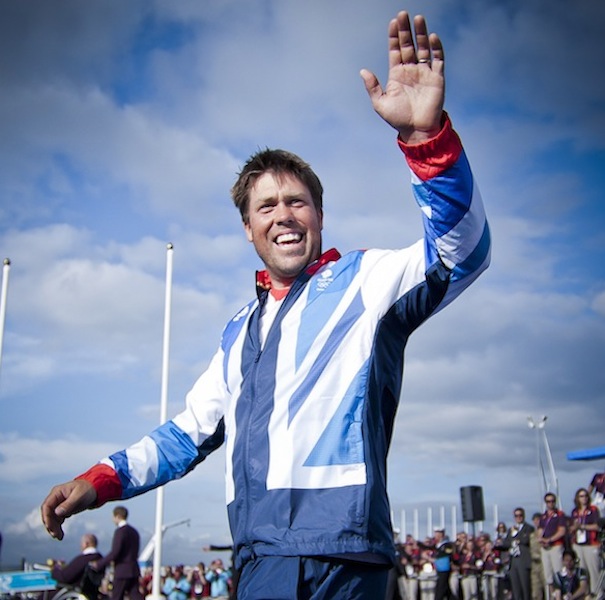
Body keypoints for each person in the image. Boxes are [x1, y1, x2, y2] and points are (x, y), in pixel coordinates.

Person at [40, 9, 490, 599]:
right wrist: (98, 481)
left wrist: (425, 139)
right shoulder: (238, 330)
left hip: (344, 560)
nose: (284, 215)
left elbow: (465, 250)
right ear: (248, 228)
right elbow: (185, 436)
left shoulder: (368, 280)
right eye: (268, 206)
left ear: (320, 216)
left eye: (298, 202)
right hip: (260, 563)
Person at [92, 506, 143, 600]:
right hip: (134, 569)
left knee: (117, 596)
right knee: (135, 595)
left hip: (122, 570)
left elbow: (115, 552)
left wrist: (99, 564)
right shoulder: (134, 532)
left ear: (117, 516)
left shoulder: (120, 532)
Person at [569, 487, 601, 598]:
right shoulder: (575, 512)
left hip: (590, 544)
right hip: (578, 544)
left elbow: (597, 526)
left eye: (586, 496)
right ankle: (585, 595)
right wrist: (573, 528)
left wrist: (582, 526)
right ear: (577, 498)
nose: (584, 498)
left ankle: (597, 595)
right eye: (581, 496)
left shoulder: (593, 510)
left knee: (593, 571)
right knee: (582, 573)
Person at [50, 533, 103, 600]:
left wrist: (55, 569)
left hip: (75, 592)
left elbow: (65, 577)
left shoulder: (83, 559)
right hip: (92, 594)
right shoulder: (100, 559)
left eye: (81, 543)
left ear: (86, 543)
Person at [538, 493, 567, 596]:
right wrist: (541, 540)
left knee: (557, 572)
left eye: (552, 501)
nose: (550, 503)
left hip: (556, 545)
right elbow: (540, 530)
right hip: (545, 548)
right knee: (547, 574)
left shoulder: (560, 514)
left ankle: (560, 595)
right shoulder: (543, 516)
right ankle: (551, 595)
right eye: (548, 501)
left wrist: (549, 540)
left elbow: (562, 531)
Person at [502, 507, 534, 600]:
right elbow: (506, 543)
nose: (518, 517)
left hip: (523, 560)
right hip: (513, 561)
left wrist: (517, 539)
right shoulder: (511, 530)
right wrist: (512, 541)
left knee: (525, 587)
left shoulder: (528, 528)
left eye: (520, 515)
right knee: (516, 588)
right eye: (516, 516)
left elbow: (526, 540)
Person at [530, 512, 546, 600]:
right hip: (534, 563)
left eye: (538, 520)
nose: (537, 522)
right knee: (535, 590)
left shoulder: (546, 532)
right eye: (535, 520)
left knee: (547, 586)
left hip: (543, 562)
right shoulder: (531, 534)